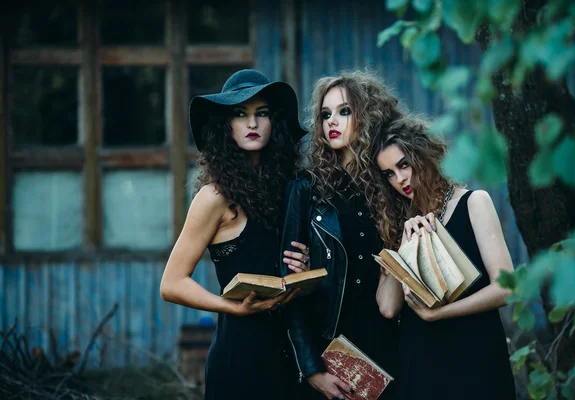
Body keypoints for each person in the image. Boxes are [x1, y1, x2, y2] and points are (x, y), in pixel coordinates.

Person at [160, 69, 309, 400]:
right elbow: (171, 284)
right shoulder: (214, 197)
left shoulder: (292, 189)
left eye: (262, 113)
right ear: (225, 126)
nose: (252, 124)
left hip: (292, 353)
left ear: (275, 122)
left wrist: (304, 266)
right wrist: (232, 307)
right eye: (240, 114)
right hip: (240, 353)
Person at [280, 70, 405, 400]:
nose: (331, 121)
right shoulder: (305, 190)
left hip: (394, 344)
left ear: (369, 116)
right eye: (325, 114)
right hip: (333, 351)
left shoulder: (392, 185)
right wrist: (311, 369)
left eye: (344, 111)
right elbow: (290, 293)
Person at [371, 117, 516, 400]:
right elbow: (388, 307)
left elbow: (507, 288)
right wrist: (402, 242)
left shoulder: (474, 203)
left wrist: (437, 314)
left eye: (403, 165)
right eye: (388, 173)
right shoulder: (397, 223)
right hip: (422, 366)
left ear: (424, 155)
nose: (399, 180)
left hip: (476, 359)